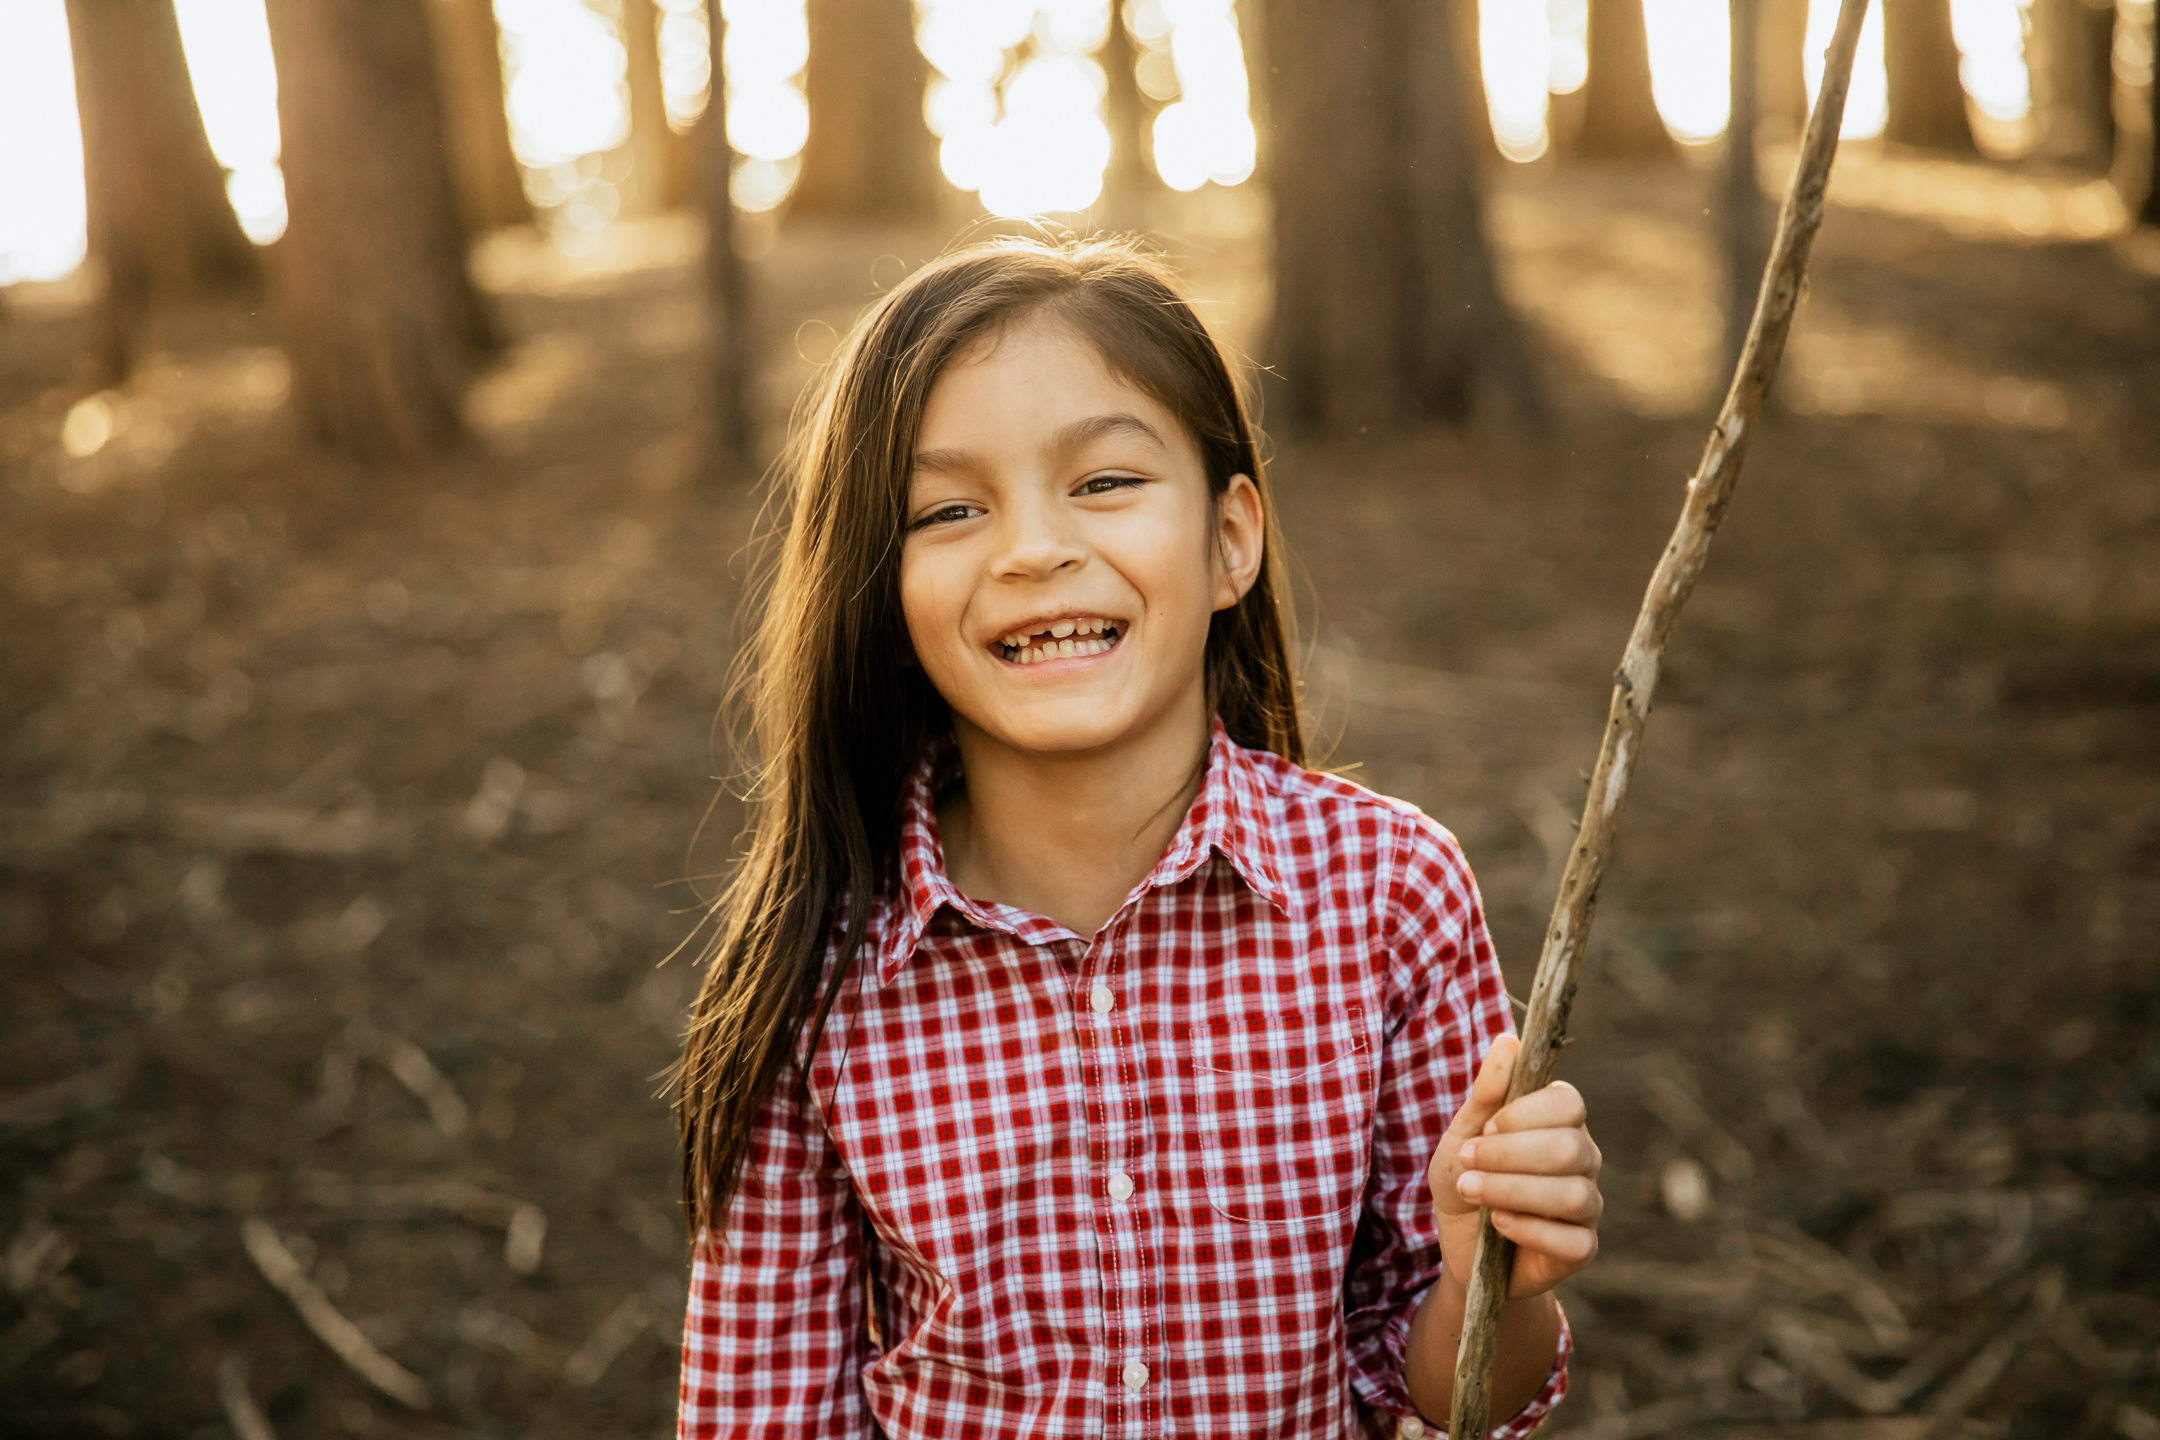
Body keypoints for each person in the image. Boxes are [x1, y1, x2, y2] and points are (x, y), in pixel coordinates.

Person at [672, 236, 1603, 1438]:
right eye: (949, 508)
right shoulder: (817, 964)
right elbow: (762, 1414)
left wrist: (1492, 1281)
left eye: (1104, 482)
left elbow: (1453, 1400)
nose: (1032, 549)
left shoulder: (1386, 892)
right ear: (884, 592)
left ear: (1229, 542)